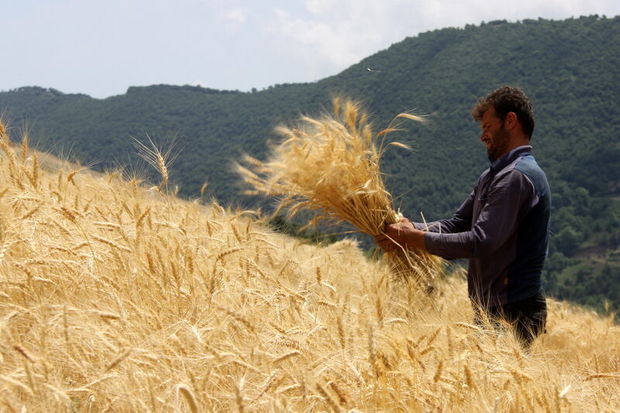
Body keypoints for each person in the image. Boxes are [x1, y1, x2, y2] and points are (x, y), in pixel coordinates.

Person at [375, 86, 550, 349]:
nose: (483, 136)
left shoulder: (516, 177)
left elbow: (479, 242)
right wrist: (408, 229)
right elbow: (457, 224)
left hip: (513, 310)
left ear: (511, 121)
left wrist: (414, 237)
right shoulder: (492, 176)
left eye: (488, 126)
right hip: (493, 307)